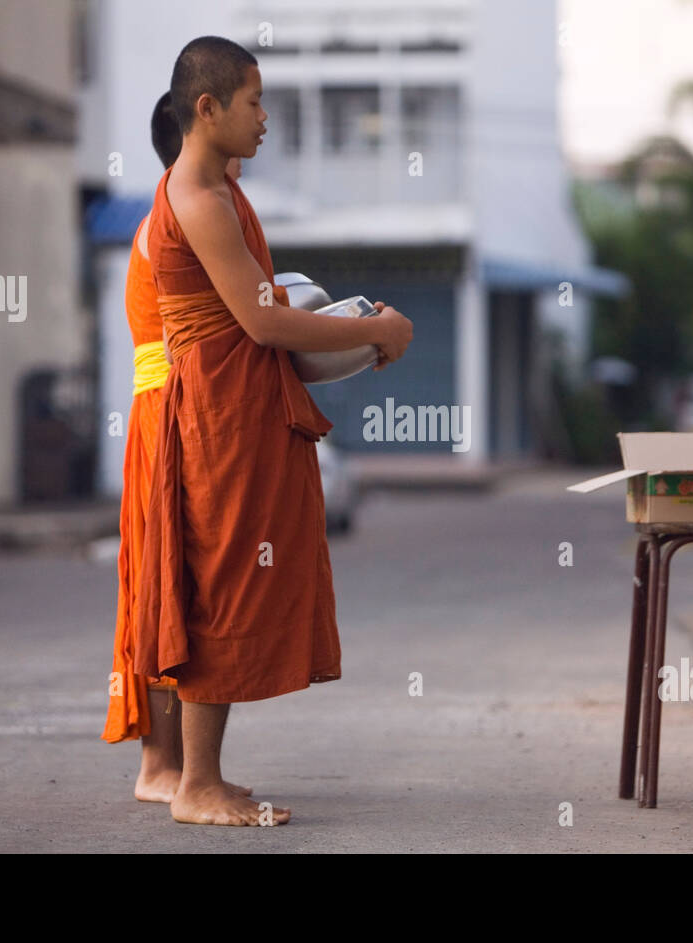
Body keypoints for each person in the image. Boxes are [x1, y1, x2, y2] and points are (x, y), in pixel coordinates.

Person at [132, 36, 413, 826]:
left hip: (237, 413)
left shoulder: (217, 190)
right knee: (219, 587)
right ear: (208, 108)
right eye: (253, 102)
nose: (265, 118)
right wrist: (379, 328)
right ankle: (194, 784)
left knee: (228, 582)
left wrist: (351, 333)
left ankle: (200, 775)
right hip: (216, 421)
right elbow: (260, 322)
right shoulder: (195, 197)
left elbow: (263, 304)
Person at [101, 93, 251, 803]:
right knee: (173, 582)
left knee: (163, 581)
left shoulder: (179, 212)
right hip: (170, 409)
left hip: (164, 407)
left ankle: (161, 766)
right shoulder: (179, 215)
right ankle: (170, 769)